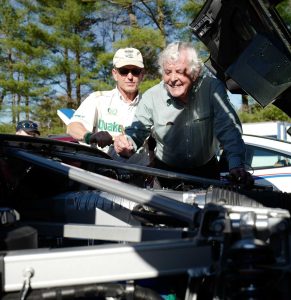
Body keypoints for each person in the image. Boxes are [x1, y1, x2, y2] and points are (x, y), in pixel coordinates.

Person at [114, 41, 253, 188]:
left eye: (179, 71)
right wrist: (126, 143)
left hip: (206, 171)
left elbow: (228, 128)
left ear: (195, 72)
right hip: (165, 173)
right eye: (167, 72)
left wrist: (236, 165)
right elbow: (137, 131)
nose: (172, 79)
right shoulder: (151, 97)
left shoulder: (212, 88)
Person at [67, 47, 152, 165]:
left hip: (139, 177)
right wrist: (90, 136)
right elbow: (72, 126)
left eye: (135, 71)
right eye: (124, 71)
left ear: (142, 74)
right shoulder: (98, 99)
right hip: (103, 175)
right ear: (115, 74)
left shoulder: (151, 104)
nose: (130, 76)